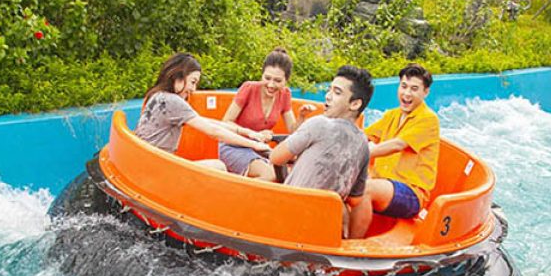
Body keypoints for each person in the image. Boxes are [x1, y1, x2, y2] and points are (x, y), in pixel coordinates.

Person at [269, 65, 373, 238]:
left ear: (355, 104)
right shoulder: (363, 143)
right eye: (329, 90)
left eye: (337, 92)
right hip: (326, 227)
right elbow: (355, 200)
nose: (328, 96)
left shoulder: (319, 124)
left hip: (291, 219)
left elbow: (276, 157)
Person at [135, 53, 270, 170]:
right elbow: (213, 131)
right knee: (219, 166)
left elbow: (208, 122)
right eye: (193, 82)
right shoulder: (172, 101)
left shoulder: (157, 96)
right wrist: (254, 145)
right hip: (158, 168)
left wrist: (247, 132)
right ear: (178, 77)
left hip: (148, 162)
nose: (193, 89)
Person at [358, 63, 439, 231]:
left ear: (425, 92)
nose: (407, 93)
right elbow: (363, 136)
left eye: (414, 89)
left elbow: (398, 144)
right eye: (404, 86)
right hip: (383, 183)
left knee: (363, 189)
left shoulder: (428, 120)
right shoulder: (392, 115)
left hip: (411, 193)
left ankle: (353, 243)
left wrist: (365, 151)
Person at [220, 48, 316, 181]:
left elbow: (293, 131)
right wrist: (254, 134)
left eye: (277, 80)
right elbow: (225, 123)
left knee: (290, 173)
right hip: (235, 146)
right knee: (271, 175)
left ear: (286, 81)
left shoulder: (285, 94)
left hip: (259, 149)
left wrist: (302, 116)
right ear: (262, 75)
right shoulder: (249, 89)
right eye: (267, 78)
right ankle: (236, 194)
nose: (271, 85)